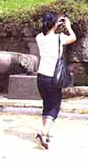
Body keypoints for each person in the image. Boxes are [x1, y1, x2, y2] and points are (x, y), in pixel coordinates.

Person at [35, 11, 77, 149]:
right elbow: (73, 37)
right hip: (53, 77)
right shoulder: (59, 38)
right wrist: (67, 26)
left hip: (41, 76)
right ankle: (44, 132)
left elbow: (46, 32)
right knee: (55, 107)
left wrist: (54, 25)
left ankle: (45, 134)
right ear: (54, 24)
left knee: (46, 104)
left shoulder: (39, 37)